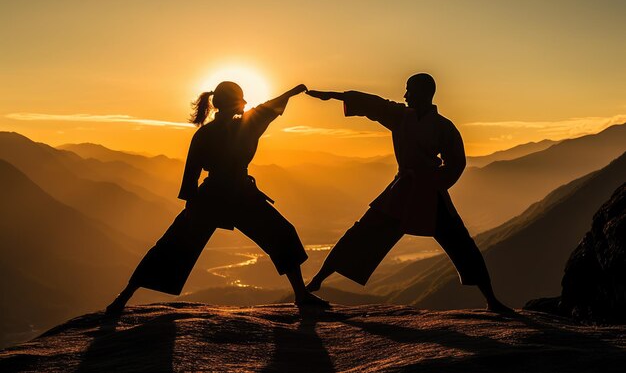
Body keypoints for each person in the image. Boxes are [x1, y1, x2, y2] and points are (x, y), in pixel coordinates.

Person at [106, 81, 328, 314]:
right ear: (234, 103)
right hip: (239, 195)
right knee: (281, 234)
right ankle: (301, 295)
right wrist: (291, 93)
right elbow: (267, 108)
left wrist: (192, 204)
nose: (246, 103)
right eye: (241, 99)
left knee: (171, 246)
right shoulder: (247, 125)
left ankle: (123, 298)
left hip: (212, 196)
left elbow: (191, 173)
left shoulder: (206, 134)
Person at [305, 73, 512, 312]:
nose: (404, 95)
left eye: (409, 90)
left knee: (461, 243)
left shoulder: (443, 126)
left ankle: (491, 300)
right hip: (403, 190)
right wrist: (333, 95)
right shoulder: (400, 117)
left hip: (429, 193)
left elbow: (456, 163)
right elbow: (372, 103)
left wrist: (435, 182)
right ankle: (319, 280)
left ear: (424, 94)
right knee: (362, 233)